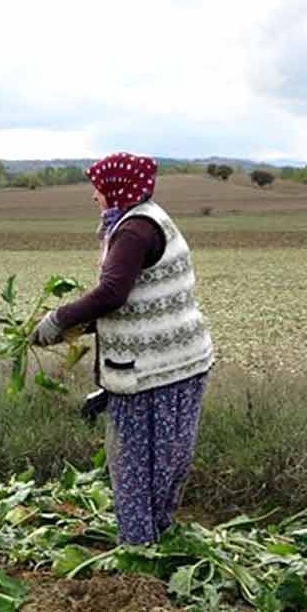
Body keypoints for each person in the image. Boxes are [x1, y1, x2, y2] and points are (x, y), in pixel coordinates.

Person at [30, 153, 213, 544]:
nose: (94, 195)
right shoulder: (149, 218)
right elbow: (135, 301)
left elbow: (113, 293)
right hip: (181, 362)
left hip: (153, 371)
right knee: (165, 463)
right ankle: (157, 538)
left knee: (134, 469)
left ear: (116, 188)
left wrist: (58, 320)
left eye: (98, 187)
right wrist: (74, 329)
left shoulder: (133, 231)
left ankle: (138, 550)